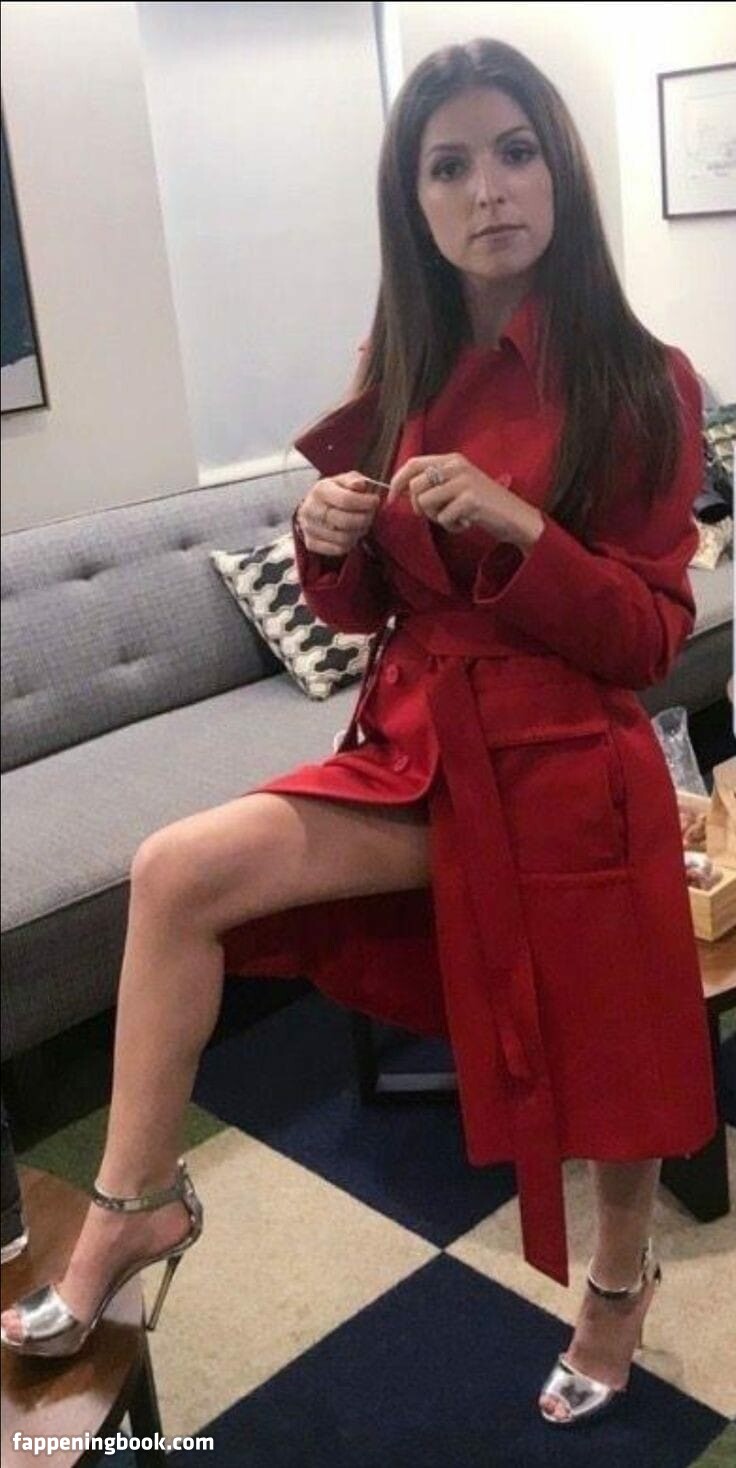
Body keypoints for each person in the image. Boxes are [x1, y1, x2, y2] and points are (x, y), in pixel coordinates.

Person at [1, 37, 718, 1428]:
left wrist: (521, 531)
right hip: (417, 749)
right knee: (175, 872)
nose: (487, 188)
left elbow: (644, 641)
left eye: (514, 151)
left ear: (559, 169)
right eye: (448, 166)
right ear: (413, 202)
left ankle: (618, 1286)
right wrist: (324, 536)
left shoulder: (644, 380)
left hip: (570, 763)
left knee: (613, 1053)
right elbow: (358, 607)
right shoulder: (399, 369)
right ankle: (134, 1207)